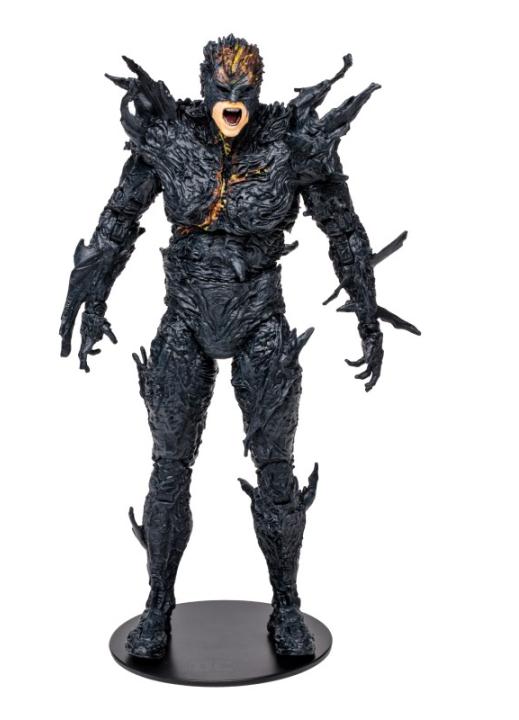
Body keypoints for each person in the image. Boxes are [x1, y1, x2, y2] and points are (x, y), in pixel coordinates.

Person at [59, 35, 418, 659]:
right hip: (185, 319)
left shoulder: (290, 144)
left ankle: (286, 606)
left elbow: (344, 231)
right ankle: (157, 607)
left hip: (260, 322)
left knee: (276, 469)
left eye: (243, 90)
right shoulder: (170, 137)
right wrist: (93, 302)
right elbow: (116, 221)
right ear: (204, 88)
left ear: (258, 90)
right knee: (169, 467)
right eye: (221, 89)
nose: (232, 100)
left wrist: (368, 316)